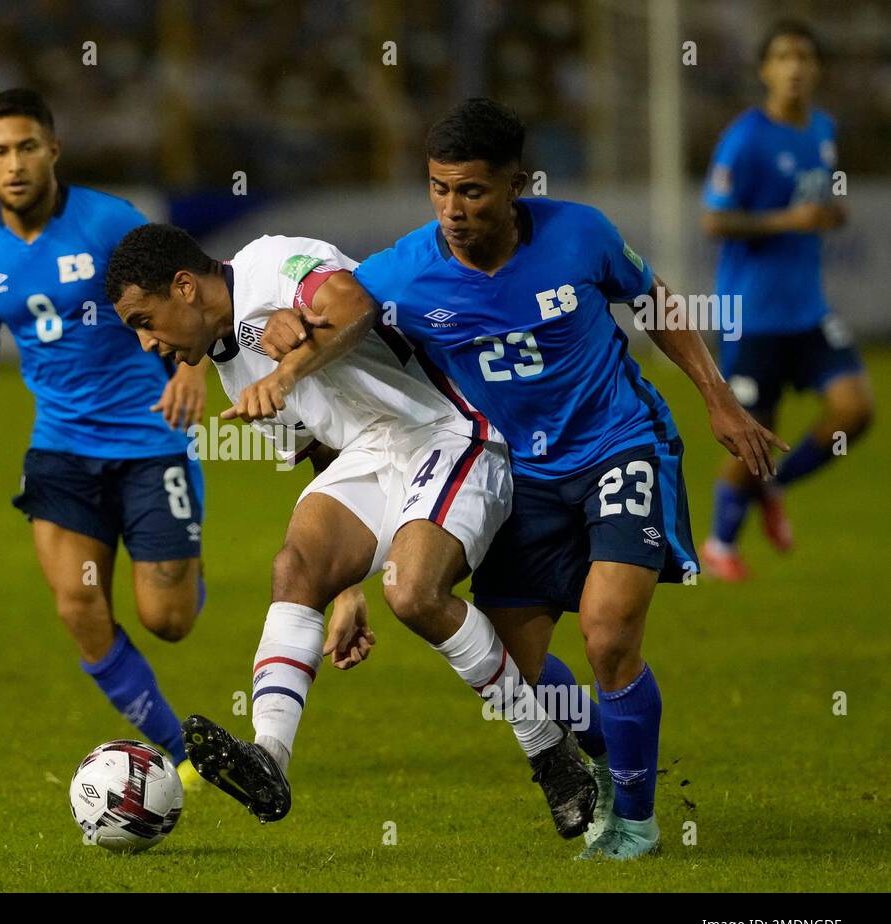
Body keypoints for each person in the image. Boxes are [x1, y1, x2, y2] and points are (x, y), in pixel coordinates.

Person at [266, 98, 783, 858]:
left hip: (617, 444)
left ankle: (636, 821)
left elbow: (655, 300)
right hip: (515, 473)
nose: (453, 209)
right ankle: (612, 753)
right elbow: (335, 303)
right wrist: (291, 322)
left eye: (472, 191)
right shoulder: (408, 269)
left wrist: (718, 398)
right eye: (439, 188)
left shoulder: (581, 234)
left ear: (517, 184)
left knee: (609, 631)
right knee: (520, 663)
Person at [106, 223, 597, 837]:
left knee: (415, 594)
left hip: (448, 427)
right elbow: (322, 454)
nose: (148, 344)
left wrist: (285, 369)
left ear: (184, 287)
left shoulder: (268, 263)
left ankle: (549, 748)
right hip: (370, 451)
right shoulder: (235, 373)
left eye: (143, 321)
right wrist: (345, 590)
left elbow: (355, 304)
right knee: (297, 568)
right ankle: (269, 758)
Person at [0, 90, 209, 784]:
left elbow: (190, 295)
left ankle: (184, 564)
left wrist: (191, 365)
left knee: (167, 619)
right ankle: (182, 754)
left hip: (149, 438)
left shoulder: (110, 222)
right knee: (80, 604)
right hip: (61, 450)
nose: (13, 163)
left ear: (53, 148)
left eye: (26, 146)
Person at [701, 19, 874, 581]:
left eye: (803, 56)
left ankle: (773, 489)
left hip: (808, 310)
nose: (794, 67)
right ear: (765, 70)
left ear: (816, 68)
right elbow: (714, 220)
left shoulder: (823, 128)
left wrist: (829, 211)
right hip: (753, 316)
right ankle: (721, 543)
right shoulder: (746, 138)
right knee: (755, 439)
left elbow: (821, 190)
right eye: (782, 57)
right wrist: (787, 220)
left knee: (856, 411)